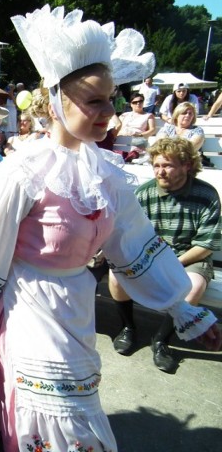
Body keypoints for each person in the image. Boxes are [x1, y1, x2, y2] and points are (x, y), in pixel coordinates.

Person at [0, 5, 221, 452]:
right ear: (57, 102)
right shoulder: (23, 172)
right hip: (27, 304)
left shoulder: (108, 174)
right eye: (95, 100)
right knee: (56, 417)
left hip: (76, 304)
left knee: (73, 405)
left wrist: (183, 309)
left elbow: (134, 246)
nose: (109, 112)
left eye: (111, 99)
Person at [108, 137, 220, 373]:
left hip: (189, 256)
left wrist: (172, 264)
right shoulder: (145, 192)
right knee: (115, 277)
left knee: (192, 286)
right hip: (150, 255)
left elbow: (206, 244)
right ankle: (128, 327)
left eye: (167, 165)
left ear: (187, 165)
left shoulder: (207, 195)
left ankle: (161, 340)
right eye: (156, 165)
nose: (160, 171)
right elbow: (129, 232)